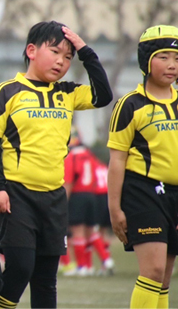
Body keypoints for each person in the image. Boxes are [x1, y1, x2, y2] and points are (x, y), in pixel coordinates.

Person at [0, 21, 112, 308]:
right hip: (16, 196)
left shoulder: (68, 93)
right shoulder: (7, 91)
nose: (61, 61)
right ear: (31, 50)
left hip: (54, 198)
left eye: (68, 57)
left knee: (46, 280)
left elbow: (103, 95)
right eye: (55, 51)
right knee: (19, 269)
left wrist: (85, 51)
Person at [107, 25, 178, 308]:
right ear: (146, 60)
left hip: (175, 194)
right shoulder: (129, 105)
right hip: (143, 193)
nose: (172, 65)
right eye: (163, 57)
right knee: (153, 271)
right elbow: (117, 160)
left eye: (177, 57)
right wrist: (114, 209)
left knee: (164, 278)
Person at [63, 127, 113, 277]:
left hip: (78, 195)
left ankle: (82, 266)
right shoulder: (89, 155)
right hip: (92, 195)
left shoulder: (71, 156)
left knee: (77, 232)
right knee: (91, 231)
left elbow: (69, 180)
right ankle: (104, 260)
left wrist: (64, 201)